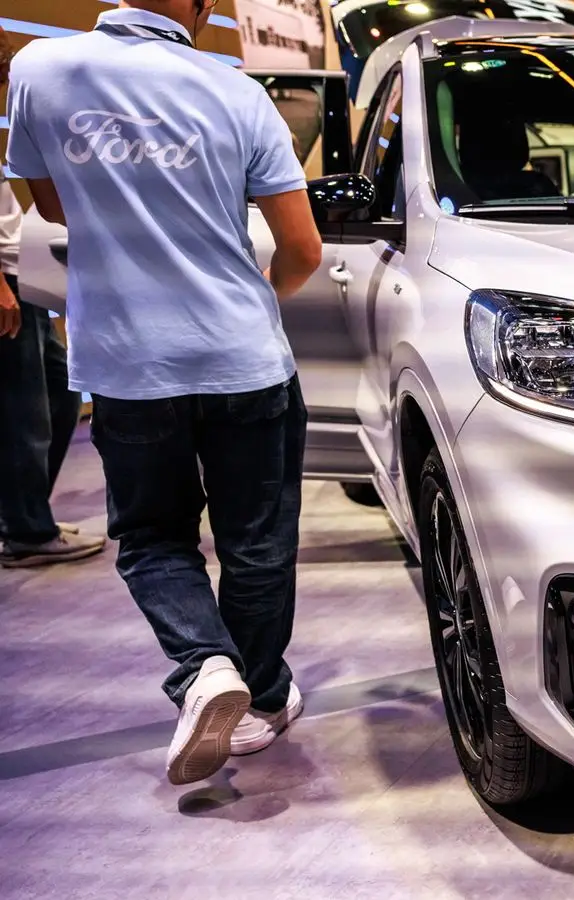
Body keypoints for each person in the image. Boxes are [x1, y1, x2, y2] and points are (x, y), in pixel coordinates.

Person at [6, 0, 324, 783]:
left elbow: (53, 205)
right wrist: (257, 302)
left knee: (153, 537)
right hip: (243, 358)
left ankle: (205, 664)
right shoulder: (239, 93)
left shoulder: (40, 68)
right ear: (205, 6)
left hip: (127, 364)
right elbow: (302, 249)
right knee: (257, 541)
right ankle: (262, 700)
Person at [0, 26, 106, 569]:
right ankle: (25, 530)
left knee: (61, 397)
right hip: (5, 285)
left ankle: (24, 516)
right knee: (24, 415)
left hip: (19, 278)